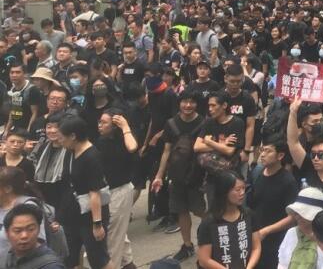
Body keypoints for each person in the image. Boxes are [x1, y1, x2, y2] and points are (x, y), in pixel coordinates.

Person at [151, 90, 205, 262]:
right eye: (184, 101)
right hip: (176, 175)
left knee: (200, 210)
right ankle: (187, 245)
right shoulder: (171, 123)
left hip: (197, 175)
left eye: (192, 102)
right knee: (181, 211)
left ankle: (212, 241)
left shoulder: (204, 122)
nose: (188, 105)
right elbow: (166, 151)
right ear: (179, 103)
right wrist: (159, 175)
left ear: (197, 104)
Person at [57, 114, 112, 269]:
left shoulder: (92, 157)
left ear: (73, 136)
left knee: (99, 259)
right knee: (70, 256)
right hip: (73, 212)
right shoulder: (70, 151)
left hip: (91, 214)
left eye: (62, 137)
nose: (60, 140)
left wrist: (97, 224)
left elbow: (95, 193)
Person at [93, 109, 138, 269]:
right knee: (118, 235)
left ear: (115, 125)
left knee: (112, 239)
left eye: (104, 123)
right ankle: (128, 265)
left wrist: (125, 126)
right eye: (100, 121)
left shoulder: (125, 138)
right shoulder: (101, 141)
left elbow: (133, 148)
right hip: (107, 191)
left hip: (121, 191)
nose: (100, 125)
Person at [247, 140, 298, 269]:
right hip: (254, 234)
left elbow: (292, 218)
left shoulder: (288, 181)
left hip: (275, 239)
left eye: (268, 151)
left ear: (280, 156)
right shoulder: (257, 173)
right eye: (262, 150)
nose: (262, 154)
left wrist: (267, 230)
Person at [197, 170, 261, 269]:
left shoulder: (249, 215)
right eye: (237, 189)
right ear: (224, 191)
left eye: (244, 188)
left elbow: (256, 247)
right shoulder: (209, 223)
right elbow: (204, 260)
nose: (242, 193)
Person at [0, 203, 64, 269]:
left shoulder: (51, 266)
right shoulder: (4, 258)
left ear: (39, 229)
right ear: (7, 233)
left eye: (30, 229)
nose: (24, 236)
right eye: (18, 231)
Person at [276, 187, 323, 269]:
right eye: (296, 212)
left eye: (303, 213)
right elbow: (282, 264)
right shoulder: (291, 233)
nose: (298, 216)